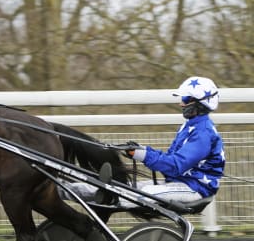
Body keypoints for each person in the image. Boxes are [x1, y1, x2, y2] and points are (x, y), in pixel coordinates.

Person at [59, 76, 225, 209]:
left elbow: (175, 165)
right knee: (121, 187)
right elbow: (170, 158)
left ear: (201, 102)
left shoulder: (203, 134)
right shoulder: (190, 126)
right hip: (179, 183)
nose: (181, 103)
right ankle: (62, 190)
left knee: (132, 194)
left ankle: (98, 213)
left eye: (186, 99)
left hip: (194, 189)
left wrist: (143, 155)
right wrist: (140, 150)